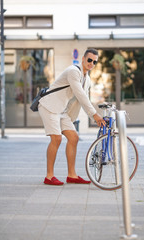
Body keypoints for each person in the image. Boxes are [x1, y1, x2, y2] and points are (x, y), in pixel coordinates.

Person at [38, 48, 105, 185]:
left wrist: (95, 114)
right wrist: (94, 115)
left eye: (94, 61)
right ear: (83, 59)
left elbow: (82, 99)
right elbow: (80, 95)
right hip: (49, 106)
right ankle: (49, 176)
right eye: (89, 60)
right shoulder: (73, 71)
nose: (91, 63)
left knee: (73, 138)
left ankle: (72, 175)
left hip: (62, 111)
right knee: (56, 138)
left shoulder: (87, 79)